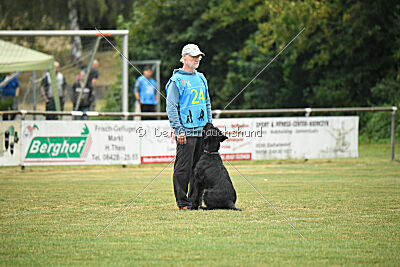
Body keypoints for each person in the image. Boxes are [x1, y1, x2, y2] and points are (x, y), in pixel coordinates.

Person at [165, 43, 212, 210]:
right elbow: (171, 107)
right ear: (184, 57)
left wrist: (209, 126)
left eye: (198, 56)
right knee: (183, 168)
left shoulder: (201, 77)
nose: (197, 59)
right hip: (186, 131)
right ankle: (183, 202)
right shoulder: (176, 81)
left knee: (199, 169)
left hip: (201, 130)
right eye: (193, 56)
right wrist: (178, 130)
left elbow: (206, 103)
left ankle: (195, 202)